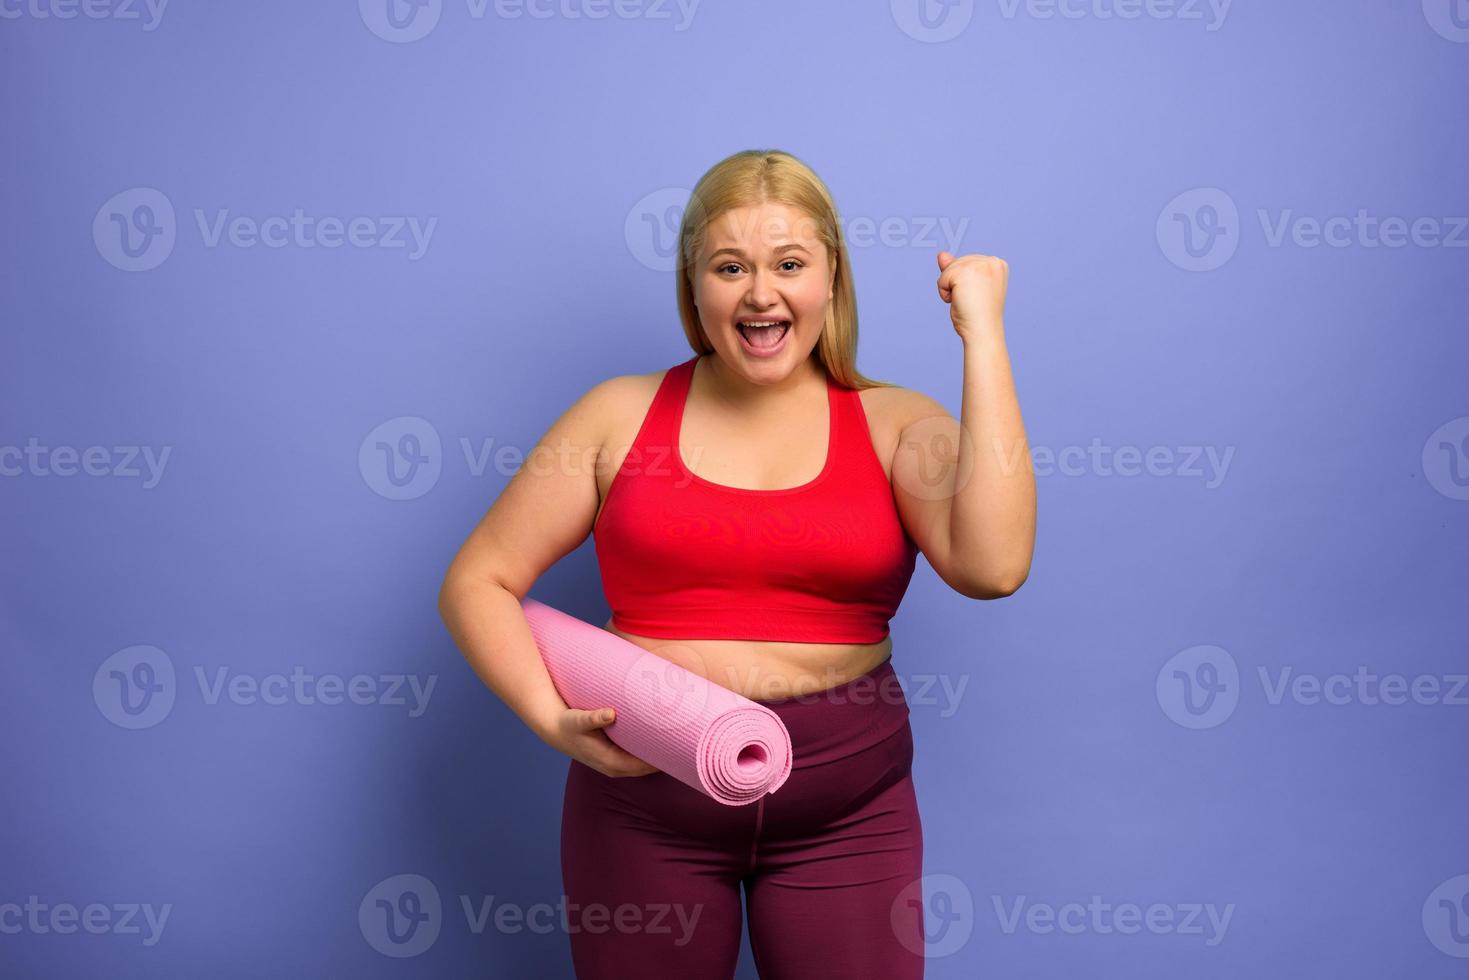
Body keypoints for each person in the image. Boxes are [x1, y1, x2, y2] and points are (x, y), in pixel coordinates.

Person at [438, 148, 1035, 979]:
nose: (761, 293)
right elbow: (478, 580)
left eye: (789, 264)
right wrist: (547, 716)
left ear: (831, 280)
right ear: (694, 288)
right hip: (644, 805)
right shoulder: (616, 415)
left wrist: (983, 334)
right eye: (730, 267)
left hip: (847, 815)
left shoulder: (897, 423)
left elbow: (994, 566)